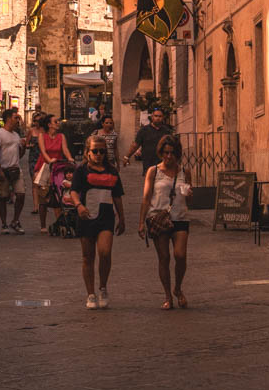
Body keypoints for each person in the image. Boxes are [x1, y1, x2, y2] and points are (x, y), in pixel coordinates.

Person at [67, 135, 125, 308]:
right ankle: (91, 294)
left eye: (102, 151)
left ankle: (103, 287)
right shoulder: (81, 170)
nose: (98, 154)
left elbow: (117, 196)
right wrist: (78, 206)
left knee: (105, 252)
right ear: (88, 152)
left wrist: (122, 218)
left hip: (106, 216)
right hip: (86, 216)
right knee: (88, 257)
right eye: (95, 151)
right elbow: (74, 191)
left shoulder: (112, 171)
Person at [138, 133, 192, 310]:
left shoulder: (185, 172)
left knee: (180, 255)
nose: (169, 156)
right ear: (161, 153)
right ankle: (168, 295)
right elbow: (146, 197)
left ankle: (178, 288)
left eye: (172, 153)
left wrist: (190, 195)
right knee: (164, 258)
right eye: (166, 153)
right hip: (158, 217)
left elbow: (189, 199)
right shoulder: (153, 171)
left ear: (177, 153)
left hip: (180, 217)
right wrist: (141, 222)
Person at [33, 113, 73, 233]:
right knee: (43, 196)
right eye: (55, 122)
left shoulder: (61, 136)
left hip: (58, 167)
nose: (58, 123)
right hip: (44, 166)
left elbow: (65, 150)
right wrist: (49, 160)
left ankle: (61, 222)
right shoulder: (42, 136)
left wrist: (70, 159)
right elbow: (43, 151)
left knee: (58, 194)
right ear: (49, 125)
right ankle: (43, 224)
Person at [0, 109, 26, 233]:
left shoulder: (16, 135)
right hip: (3, 169)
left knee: (21, 194)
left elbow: (19, 154)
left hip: (16, 169)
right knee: (3, 197)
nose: (17, 120)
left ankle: (15, 220)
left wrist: (23, 147)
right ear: (7, 119)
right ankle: (4, 223)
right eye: (15, 117)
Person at [123, 105, 169, 175]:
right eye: (156, 116)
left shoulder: (166, 131)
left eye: (160, 116)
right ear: (152, 117)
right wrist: (127, 156)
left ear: (163, 117)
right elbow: (136, 145)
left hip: (163, 163)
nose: (158, 118)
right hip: (149, 164)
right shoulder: (144, 130)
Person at [25, 107, 43, 213]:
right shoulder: (31, 131)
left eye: (39, 121)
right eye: (35, 121)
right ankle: (36, 206)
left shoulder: (44, 131)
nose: (37, 123)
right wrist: (29, 145)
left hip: (43, 158)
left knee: (43, 183)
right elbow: (26, 144)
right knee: (34, 183)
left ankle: (42, 204)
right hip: (33, 159)